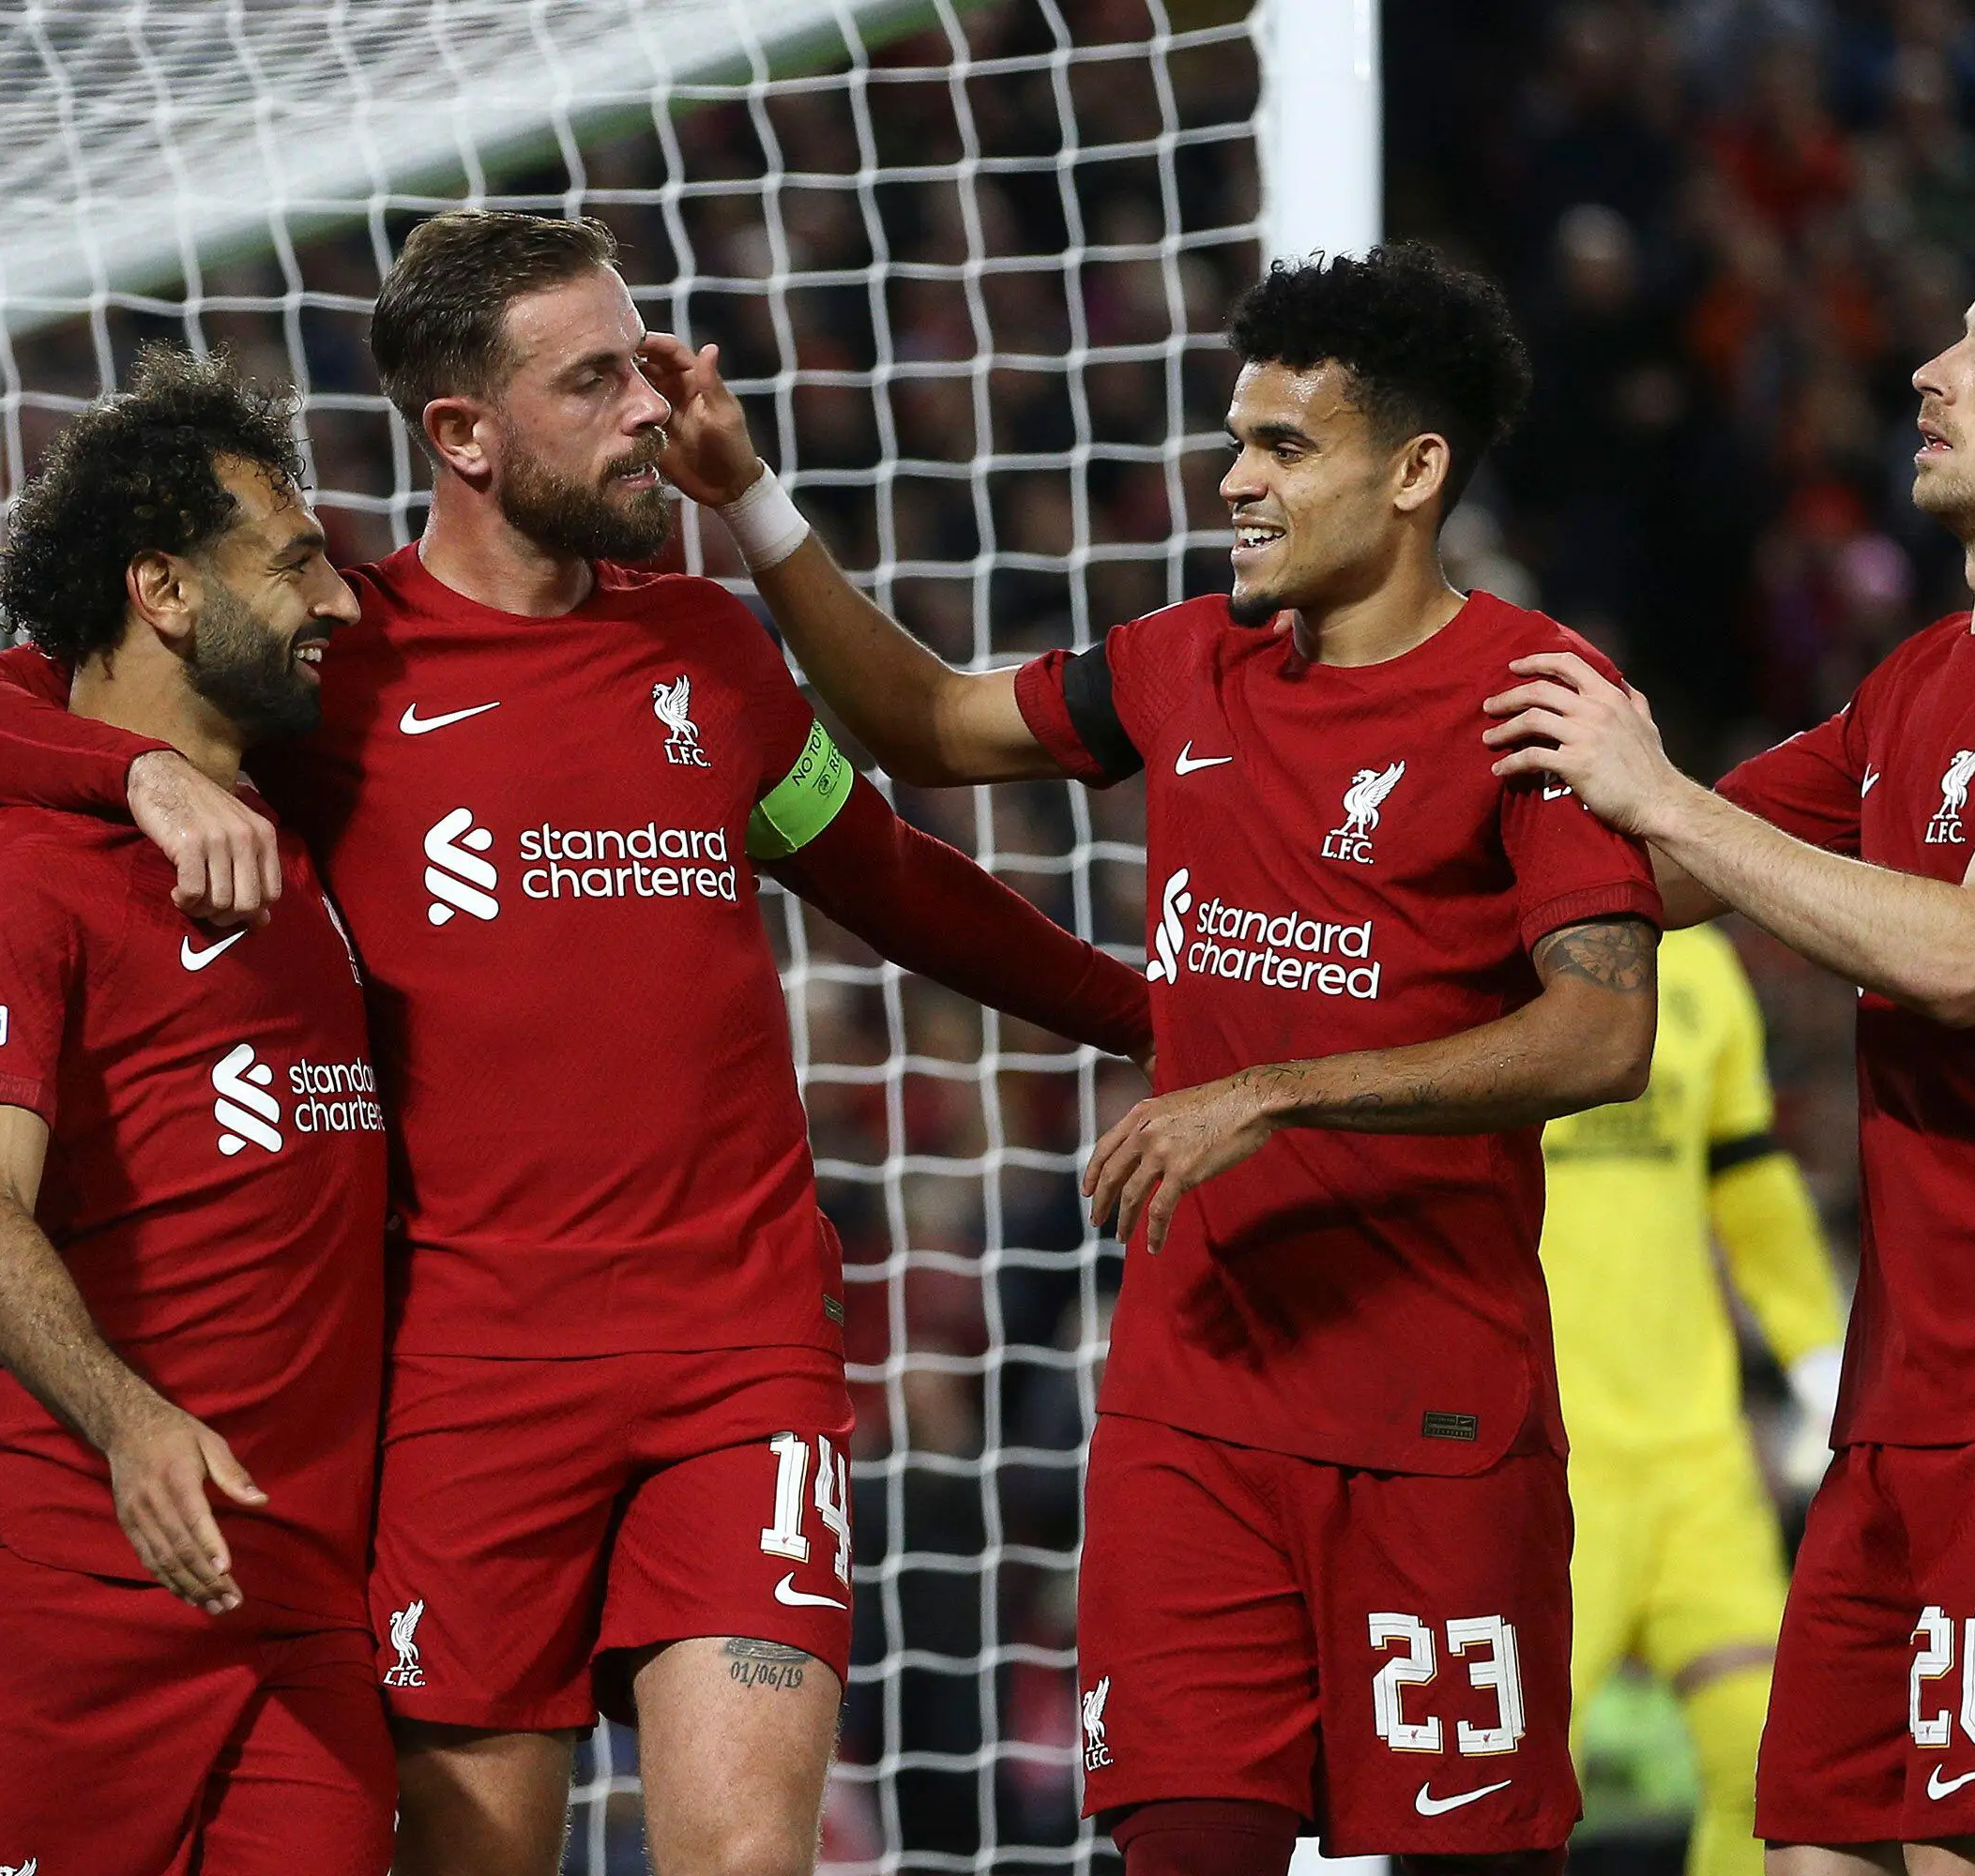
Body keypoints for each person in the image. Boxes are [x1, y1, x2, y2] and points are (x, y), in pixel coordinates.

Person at [0, 211, 1154, 1876]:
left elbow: (887, 877)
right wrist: (137, 777)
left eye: (642, 361)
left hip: (733, 1357)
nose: (651, 410)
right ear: (461, 432)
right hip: (465, 1390)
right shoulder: (336, 666)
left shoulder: (709, 655)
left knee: (750, 1856)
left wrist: (1151, 1017)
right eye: (596, 377)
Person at [639, 243, 1658, 1873]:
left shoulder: (1536, 699)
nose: (1234, 481)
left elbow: (1605, 1030)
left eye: (1282, 448)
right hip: (1193, 1418)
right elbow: (924, 724)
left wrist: (1278, 1086)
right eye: (1232, 441)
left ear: (1413, 472)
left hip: (1439, 1426)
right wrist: (754, 501)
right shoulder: (1188, 658)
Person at [1485, 214, 1975, 1876]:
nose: (1930, 374)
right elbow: (1653, 869)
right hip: (1910, 1392)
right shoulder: (1911, 688)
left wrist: (1664, 791)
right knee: (1816, 1853)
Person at [0, 351, 388, 1872]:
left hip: (302, 1605)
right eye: (296, 563)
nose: (342, 604)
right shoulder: (12, 878)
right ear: (166, 591)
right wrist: (131, 1421)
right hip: (62, 1587)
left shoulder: (308, 837)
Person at [1536, 922, 1846, 1876]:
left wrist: (1819, 1355)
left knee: (1770, 1767)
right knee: (1499, 1799)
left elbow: (1750, 1181)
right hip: (1538, 1463)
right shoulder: (1481, 947)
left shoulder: (1702, 965)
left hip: (1697, 1458)